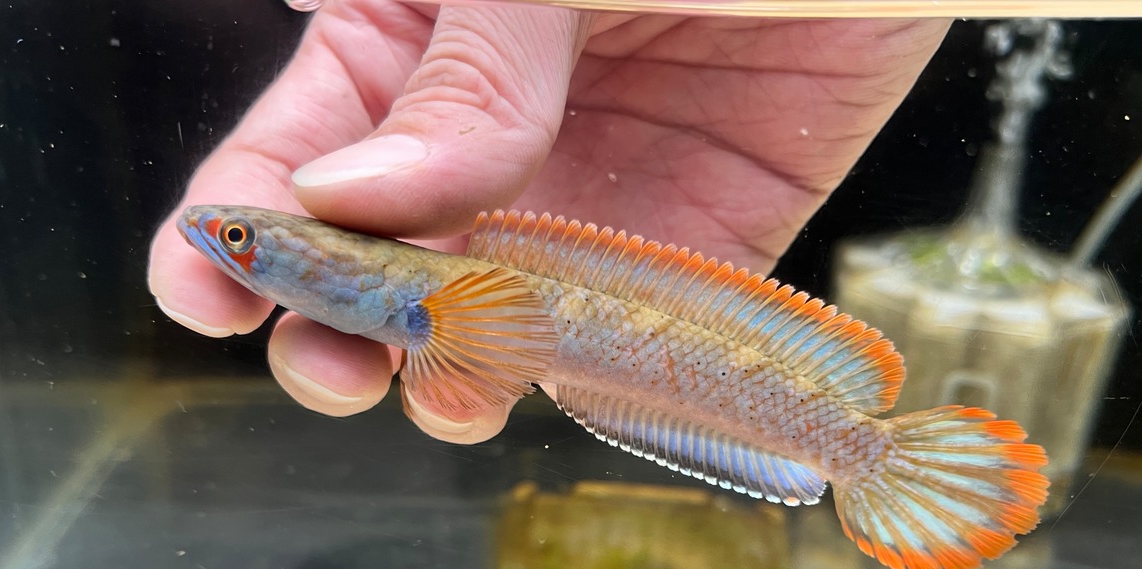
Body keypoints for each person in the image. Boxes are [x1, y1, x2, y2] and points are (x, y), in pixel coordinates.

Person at [148, 2, 948, 443]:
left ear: (325, 268)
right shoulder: (413, 295)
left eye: (241, 239)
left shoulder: (420, 289)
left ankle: (857, 446)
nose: (225, 239)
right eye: (237, 239)